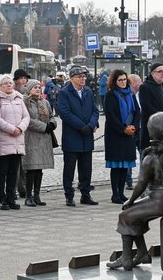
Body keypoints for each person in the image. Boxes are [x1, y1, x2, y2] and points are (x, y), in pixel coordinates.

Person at [106, 112, 163, 271]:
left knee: (125, 215)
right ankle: (142, 253)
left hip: (160, 201)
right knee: (136, 216)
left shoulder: (151, 158)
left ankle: (127, 258)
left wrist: (131, 200)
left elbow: (141, 184)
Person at [57, 65, 99, 207]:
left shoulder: (87, 91)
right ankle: (69, 195)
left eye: (84, 76)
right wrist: (81, 126)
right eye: (80, 77)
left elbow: (95, 110)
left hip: (87, 137)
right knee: (69, 169)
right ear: (72, 78)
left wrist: (92, 125)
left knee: (86, 169)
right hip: (72, 137)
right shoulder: (64, 93)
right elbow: (65, 113)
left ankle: (85, 194)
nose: (83, 79)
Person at [0, 74, 30, 211]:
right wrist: (12, 129)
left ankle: (12, 198)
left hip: (18, 140)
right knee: (2, 171)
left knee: (14, 172)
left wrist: (20, 128)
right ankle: (1, 200)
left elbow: (26, 116)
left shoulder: (18, 97)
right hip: (3, 140)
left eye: (10, 83)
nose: (8, 85)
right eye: (5, 83)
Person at [104, 70, 139, 204]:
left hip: (129, 133)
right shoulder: (111, 95)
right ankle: (115, 194)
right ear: (115, 81)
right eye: (120, 80)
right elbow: (111, 116)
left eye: (124, 79)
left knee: (125, 165)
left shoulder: (130, 94)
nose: (123, 82)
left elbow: (137, 112)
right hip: (116, 134)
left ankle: (122, 192)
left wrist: (134, 127)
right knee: (116, 166)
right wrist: (123, 129)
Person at [22, 79, 57, 207]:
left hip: (44, 140)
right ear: (29, 89)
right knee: (31, 168)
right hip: (31, 138)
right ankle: (28, 196)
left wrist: (53, 124)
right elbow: (28, 120)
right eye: (34, 87)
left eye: (39, 87)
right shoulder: (25, 102)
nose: (37, 89)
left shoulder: (45, 102)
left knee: (39, 169)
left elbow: (52, 116)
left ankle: (37, 195)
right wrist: (44, 126)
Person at [13, 68, 30, 198]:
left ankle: (23, 187)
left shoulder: (29, 92)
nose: (24, 80)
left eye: (25, 78)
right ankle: (18, 188)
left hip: (27, 132)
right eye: (21, 78)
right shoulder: (14, 94)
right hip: (16, 132)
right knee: (16, 164)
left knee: (25, 163)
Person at [126, 74, 142, 190]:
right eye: (139, 82)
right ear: (134, 83)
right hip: (130, 129)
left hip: (141, 129)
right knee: (129, 156)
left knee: (143, 154)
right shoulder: (128, 95)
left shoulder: (141, 94)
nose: (141, 84)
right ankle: (129, 180)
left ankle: (142, 179)